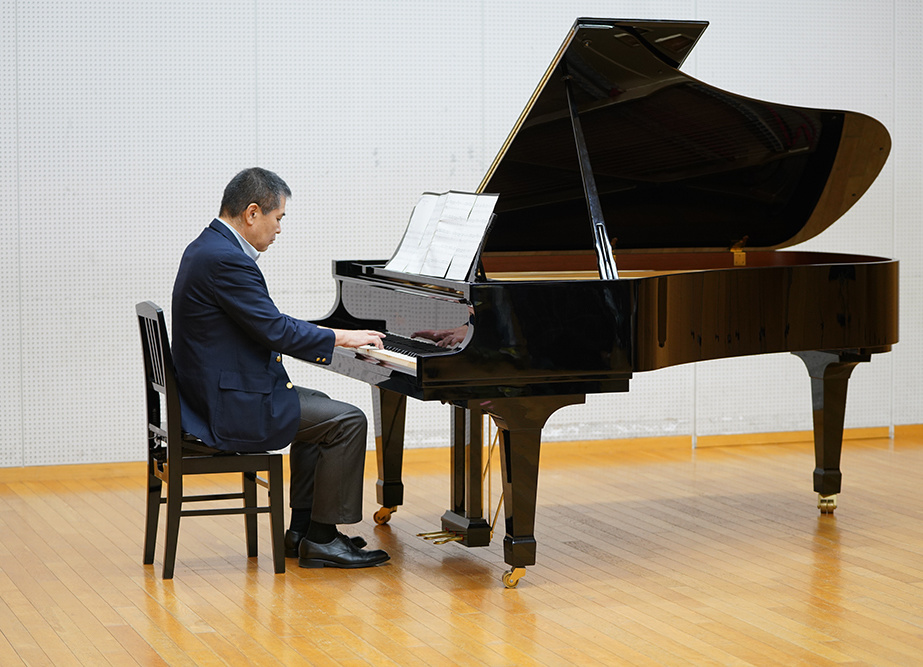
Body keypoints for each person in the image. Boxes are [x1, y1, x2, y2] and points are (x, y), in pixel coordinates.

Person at [171, 167, 389, 569]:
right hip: (225, 405)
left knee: (321, 406)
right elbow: (275, 330)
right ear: (252, 213)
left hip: (209, 393)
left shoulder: (207, 247)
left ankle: (303, 531)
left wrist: (326, 335)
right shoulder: (225, 260)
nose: (279, 228)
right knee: (347, 421)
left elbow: (266, 324)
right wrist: (342, 337)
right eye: (278, 217)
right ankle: (323, 539)